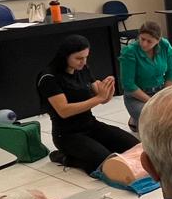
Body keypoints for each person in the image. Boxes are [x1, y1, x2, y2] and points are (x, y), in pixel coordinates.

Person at [37, 35, 138, 172]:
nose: (83, 62)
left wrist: (108, 89)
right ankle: (64, 157)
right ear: (65, 56)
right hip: (67, 134)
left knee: (135, 146)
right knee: (104, 162)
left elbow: (102, 98)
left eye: (86, 57)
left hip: (91, 125)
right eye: (79, 58)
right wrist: (99, 98)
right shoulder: (49, 78)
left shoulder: (83, 69)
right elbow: (64, 110)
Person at [119, 21, 172, 132]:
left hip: (160, 91)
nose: (144, 44)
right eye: (142, 39)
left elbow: (171, 75)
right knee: (156, 118)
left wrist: (163, 97)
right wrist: (153, 102)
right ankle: (137, 118)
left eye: (149, 41)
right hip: (137, 96)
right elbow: (128, 84)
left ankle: (138, 120)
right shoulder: (129, 52)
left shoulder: (165, 45)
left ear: (158, 40)